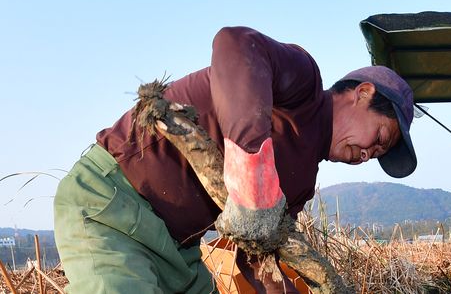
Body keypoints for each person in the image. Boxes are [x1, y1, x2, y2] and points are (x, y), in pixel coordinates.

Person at [53, 26, 417, 293]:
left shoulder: (301, 182)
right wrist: (250, 166)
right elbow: (236, 44)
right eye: (380, 138)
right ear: (362, 93)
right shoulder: (304, 86)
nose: (369, 154)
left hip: (177, 251)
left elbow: (257, 258)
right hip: (114, 205)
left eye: (378, 155)